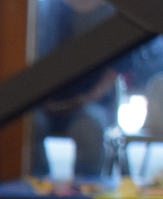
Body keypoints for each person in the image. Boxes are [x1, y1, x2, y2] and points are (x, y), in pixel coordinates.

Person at [29, 0, 122, 178]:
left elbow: (115, 70)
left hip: (89, 104)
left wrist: (86, 98)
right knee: (26, 125)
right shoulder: (49, 9)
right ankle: (36, 185)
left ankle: (85, 189)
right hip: (45, 103)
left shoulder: (109, 12)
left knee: (89, 127)